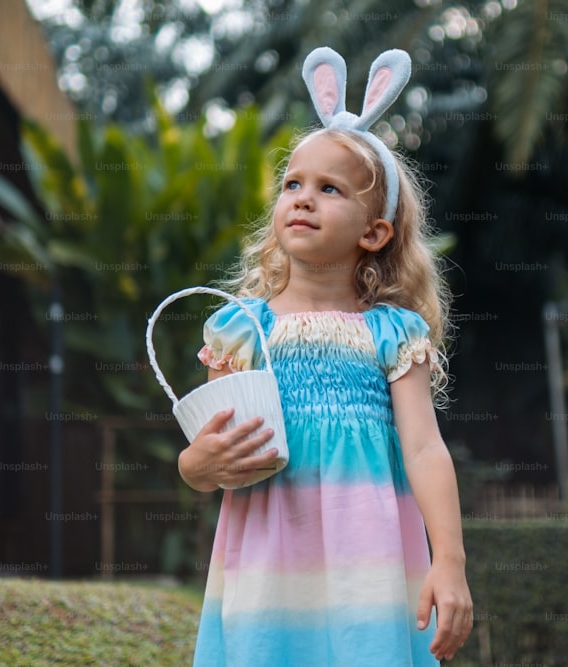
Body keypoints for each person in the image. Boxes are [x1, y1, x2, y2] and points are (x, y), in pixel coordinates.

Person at [176, 46, 473, 666]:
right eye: (293, 184)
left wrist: (449, 562)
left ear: (374, 233)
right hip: (266, 572)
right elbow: (214, 455)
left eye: (329, 188)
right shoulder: (238, 328)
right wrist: (196, 465)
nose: (303, 198)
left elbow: (423, 447)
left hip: (371, 566)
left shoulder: (394, 332)